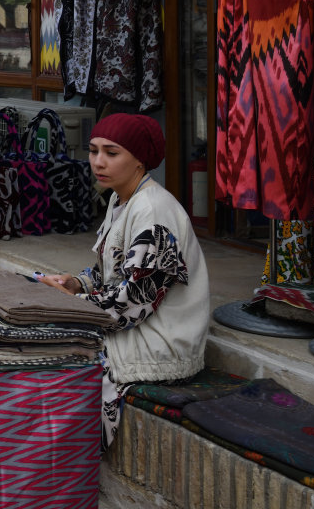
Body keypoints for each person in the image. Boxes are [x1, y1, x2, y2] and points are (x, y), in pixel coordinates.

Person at [38, 114, 209, 446]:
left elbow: (130, 306)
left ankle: (61, 458)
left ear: (139, 159)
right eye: (93, 150)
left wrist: (64, 304)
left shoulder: (154, 212)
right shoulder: (120, 198)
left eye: (112, 153)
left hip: (161, 345)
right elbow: (107, 274)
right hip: (135, 328)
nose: (98, 162)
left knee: (51, 348)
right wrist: (75, 284)